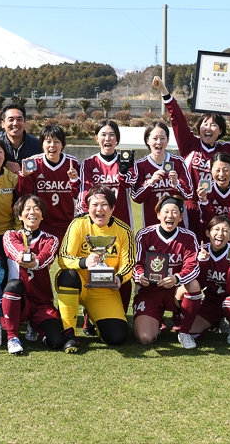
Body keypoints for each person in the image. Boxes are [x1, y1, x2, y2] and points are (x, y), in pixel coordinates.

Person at [151, 76, 230, 237]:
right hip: (189, 208)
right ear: (199, 127)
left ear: (220, 131)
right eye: (205, 124)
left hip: (213, 210)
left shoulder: (225, 150)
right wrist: (163, 91)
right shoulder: (190, 144)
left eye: (214, 124)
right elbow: (177, 119)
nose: (208, 128)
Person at [57, 185, 134, 346]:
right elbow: (63, 257)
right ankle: (68, 332)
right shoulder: (78, 224)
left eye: (104, 204)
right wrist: (84, 262)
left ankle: (91, 315)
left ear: (112, 207)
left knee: (116, 337)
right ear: (88, 207)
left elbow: (129, 263)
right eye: (94, 205)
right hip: (79, 285)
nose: (99, 209)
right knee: (67, 276)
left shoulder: (123, 230)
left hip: (104, 289)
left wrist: (119, 278)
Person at [76, 119, 135, 329]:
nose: (107, 138)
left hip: (122, 223)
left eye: (111, 134)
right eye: (103, 134)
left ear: (117, 139)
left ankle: (120, 313)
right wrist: (84, 222)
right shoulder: (89, 163)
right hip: (97, 226)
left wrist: (125, 173)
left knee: (122, 268)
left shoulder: (127, 160)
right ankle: (90, 316)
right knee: (96, 267)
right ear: (96, 138)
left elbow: (134, 189)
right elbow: (84, 193)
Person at [2, 195, 78, 354]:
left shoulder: (51, 239)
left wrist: (35, 262)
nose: (32, 212)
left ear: (42, 215)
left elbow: (45, 257)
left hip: (41, 302)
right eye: (27, 209)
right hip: (20, 300)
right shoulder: (11, 235)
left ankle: (35, 325)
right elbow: (14, 250)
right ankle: (12, 337)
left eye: (37, 209)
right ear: (19, 215)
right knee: (14, 285)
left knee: (56, 342)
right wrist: (23, 256)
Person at [132, 195, 202, 349]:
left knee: (193, 284)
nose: (170, 216)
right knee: (145, 338)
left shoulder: (188, 237)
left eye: (175, 212)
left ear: (181, 216)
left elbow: (193, 267)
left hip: (174, 291)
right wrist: (141, 276)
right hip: (150, 291)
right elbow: (136, 265)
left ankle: (184, 331)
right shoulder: (145, 234)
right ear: (158, 214)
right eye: (166, 211)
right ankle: (152, 319)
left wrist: (176, 278)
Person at [183, 216, 230, 345]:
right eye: (216, 229)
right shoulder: (202, 250)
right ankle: (216, 321)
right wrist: (202, 263)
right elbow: (200, 285)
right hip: (212, 301)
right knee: (193, 333)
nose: (220, 233)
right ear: (208, 233)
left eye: (225, 231)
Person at [17, 124, 81, 242]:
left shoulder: (72, 163)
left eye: (56, 141)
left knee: (67, 260)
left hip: (67, 223)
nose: (52, 145)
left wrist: (74, 180)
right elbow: (23, 195)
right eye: (48, 141)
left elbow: (79, 195)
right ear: (42, 144)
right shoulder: (33, 162)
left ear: (62, 145)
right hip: (42, 223)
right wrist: (24, 177)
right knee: (39, 260)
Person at [129, 121, 193, 228]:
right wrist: (150, 182)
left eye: (163, 138)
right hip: (152, 224)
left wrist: (177, 183)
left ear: (167, 140)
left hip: (177, 225)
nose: (159, 142)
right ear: (147, 140)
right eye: (155, 138)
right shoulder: (140, 165)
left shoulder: (178, 162)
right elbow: (136, 197)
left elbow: (189, 194)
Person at [0, 102, 42, 175]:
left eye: (19, 119)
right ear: (2, 124)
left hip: (27, 184)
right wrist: (4, 162)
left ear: (25, 123)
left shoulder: (35, 144)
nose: (15, 123)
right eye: (11, 120)